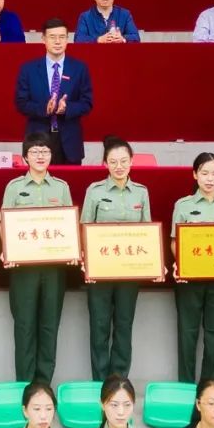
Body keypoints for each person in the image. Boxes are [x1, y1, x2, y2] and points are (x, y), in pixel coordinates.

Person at [1, 133, 74, 384]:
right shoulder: (14, 187)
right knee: (24, 327)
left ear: (52, 156)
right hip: (24, 269)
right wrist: (7, 250)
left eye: (45, 151)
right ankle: (25, 386)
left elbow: (68, 225)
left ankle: (43, 387)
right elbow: (4, 224)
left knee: (49, 326)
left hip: (53, 269)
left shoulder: (61, 187)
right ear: (25, 157)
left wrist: (71, 249)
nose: (40, 156)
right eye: (34, 152)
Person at [80, 136, 153, 381]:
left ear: (132, 161)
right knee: (99, 326)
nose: (119, 166)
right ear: (105, 163)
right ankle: (100, 383)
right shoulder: (95, 191)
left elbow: (147, 231)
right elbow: (84, 227)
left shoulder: (141, 192)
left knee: (124, 325)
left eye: (123, 161)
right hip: (100, 271)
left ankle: (119, 382)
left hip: (129, 272)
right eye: (113, 161)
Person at [171, 153, 214, 384]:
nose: (210, 179)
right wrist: (182, 263)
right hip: (190, 280)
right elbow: (174, 241)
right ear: (195, 175)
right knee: (187, 334)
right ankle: (186, 387)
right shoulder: (183, 205)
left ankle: (211, 388)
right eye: (205, 173)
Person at [14, 18, 94, 166]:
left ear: (67, 39)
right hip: (38, 139)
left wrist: (67, 108)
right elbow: (21, 103)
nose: (58, 41)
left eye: (62, 37)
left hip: (70, 142)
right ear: (43, 39)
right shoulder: (28, 69)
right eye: (52, 37)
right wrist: (44, 108)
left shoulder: (79, 68)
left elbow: (87, 103)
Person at [74, 0, 141, 44]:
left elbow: (136, 37)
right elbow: (78, 39)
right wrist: (98, 39)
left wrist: (123, 39)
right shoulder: (85, 17)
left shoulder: (125, 14)